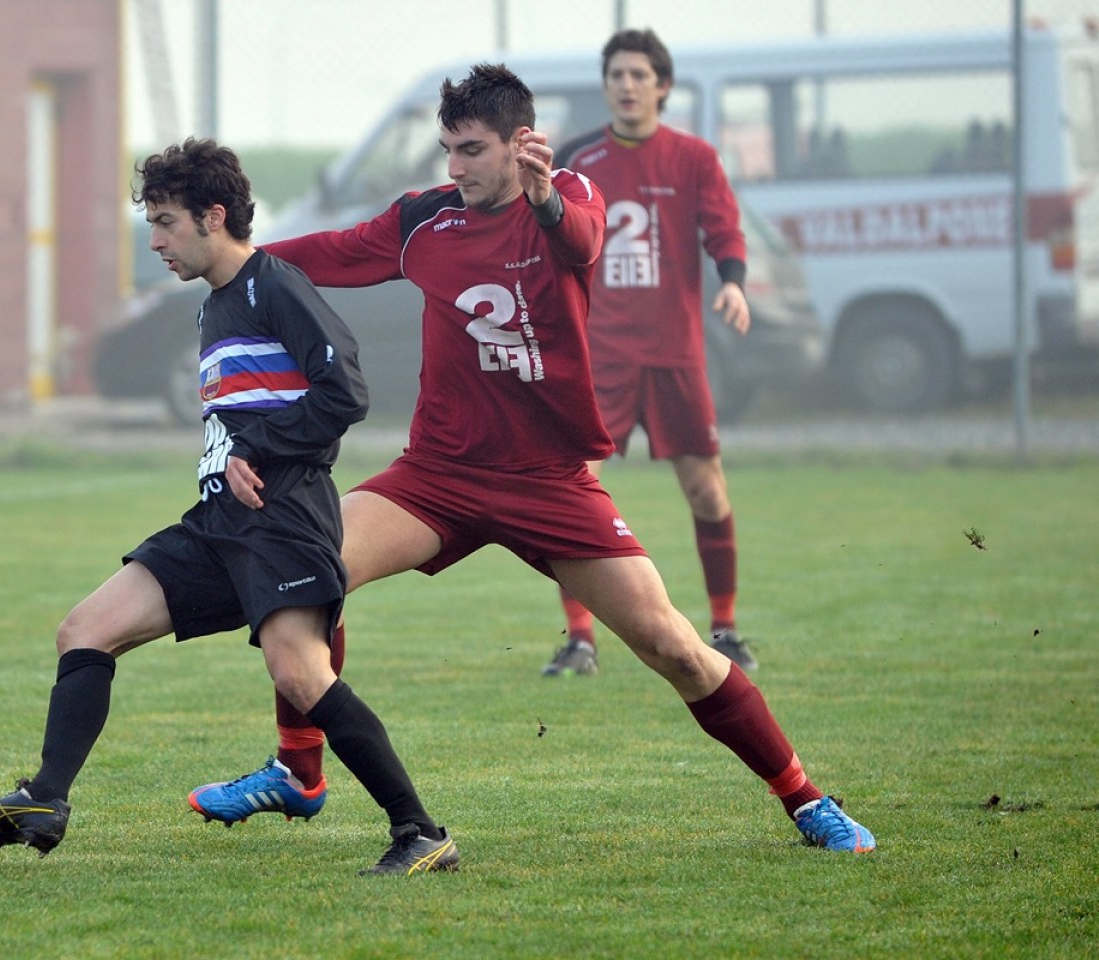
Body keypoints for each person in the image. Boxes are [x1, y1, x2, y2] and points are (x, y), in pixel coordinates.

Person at [187, 65, 876, 855]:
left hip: (549, 481)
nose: (455, 168)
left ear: (523, 145)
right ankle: (299, 773)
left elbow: (580, 240)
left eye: (472, 150)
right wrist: (229, 254)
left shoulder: (573, 197)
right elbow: (323, 254)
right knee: (307, 571)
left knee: (673, 647)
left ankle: (805, 799)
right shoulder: (424, 221)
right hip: (438, 476)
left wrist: (546, 199)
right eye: (448, 149)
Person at [0, 138, 457, 877]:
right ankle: (46, 799)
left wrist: (259, 448)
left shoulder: (277, 286)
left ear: (213, 216)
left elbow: (346, 393)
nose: (156, 240)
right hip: (218, 525)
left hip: (284, 516)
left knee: (300, 674)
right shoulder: (214, 306)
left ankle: (420, 831)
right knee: (85, 630)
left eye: (167, 222)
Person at [543, 28, 756, 678]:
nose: (627, 86)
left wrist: (735, 284)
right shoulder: (579, 160)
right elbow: (546, 231)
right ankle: (580, 640)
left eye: (639, 75)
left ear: (662, 86)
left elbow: (723, 227)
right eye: (617, 76)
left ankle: (725, 629)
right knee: (572, 493)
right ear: (606, 87)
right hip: (599, 355)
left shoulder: (693, 158)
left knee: (706, 492)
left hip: (674, 356)